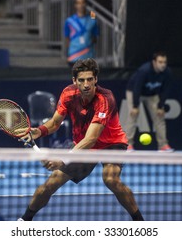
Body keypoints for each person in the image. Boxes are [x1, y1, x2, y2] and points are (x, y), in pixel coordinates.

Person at [17, 58, 144, 221]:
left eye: (90, 79)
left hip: (111, 144)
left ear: (96, 79)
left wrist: (63, 159)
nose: (86, 84)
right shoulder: (68, 94)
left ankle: (140, 222)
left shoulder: (105, 99)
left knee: (111, 179)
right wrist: (38, 132)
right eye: (82, 80)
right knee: (50, 184)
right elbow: (55, 122)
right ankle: (24, 220)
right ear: (74, 81)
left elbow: (91, 138)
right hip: (83, 146)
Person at [125, 51, 173, 152]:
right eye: (160, 62)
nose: (163, 65)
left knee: (160, 117)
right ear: (154, 62)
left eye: (164, 62)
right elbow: (137, 88)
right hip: (134, 92)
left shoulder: (167, 72)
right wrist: (135, 106)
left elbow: (165, 90)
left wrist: (161, 106)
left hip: (152, 95)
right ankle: (128, 144)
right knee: (133, 115)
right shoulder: (144, 70)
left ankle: (163, 145)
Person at [64, 0, 99, 66]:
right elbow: (67, 39)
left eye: (83, 2)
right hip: (74, 57)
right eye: (78, 3)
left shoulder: (92, 20)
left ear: (86, 4)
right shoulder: (69, 21)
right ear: (75, 5)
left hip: (88, 57)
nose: (81, 5)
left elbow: (95, 38)